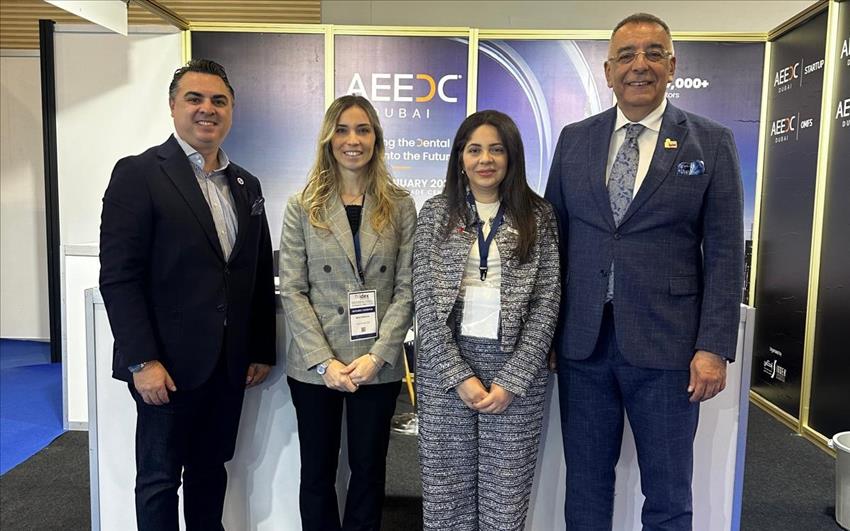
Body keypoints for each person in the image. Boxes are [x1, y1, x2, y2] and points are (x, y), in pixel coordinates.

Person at [544, 12, 744, 530]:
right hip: (583, 346)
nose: (640, 65)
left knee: (669, 492)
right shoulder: (574, 140)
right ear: (608, 71)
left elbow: (726, 252)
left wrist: (713, 346)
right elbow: (552, 244)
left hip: (670, 349)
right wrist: (545, 334)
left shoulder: (711, 142)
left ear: (672, 66)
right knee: (585, 486)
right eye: (626, 56)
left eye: (654, 53)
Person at [99, 59, 276, 531]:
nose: (207, 109)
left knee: (209, 472)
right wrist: (142, 361)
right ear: (173, 106)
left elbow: (257, 271)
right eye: (194, 99)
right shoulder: (138, 174)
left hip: (227, 365)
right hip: (166, 367)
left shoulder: (246, 184)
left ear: (231, 110)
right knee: (159, 480)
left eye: (219, 100)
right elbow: (119, 277)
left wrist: (260, 348)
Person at [413, 110, 561, 530]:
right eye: (475, 149)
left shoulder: (539, 215)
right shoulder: (435, 213)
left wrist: (514, 379)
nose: (485, 159)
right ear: (460, 157)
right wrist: (458, 376)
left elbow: (547, 300)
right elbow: (425, 301)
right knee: (447, 499)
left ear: (511, 156)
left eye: (496, 150)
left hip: (515, 365)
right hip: (447, 367)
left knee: (504, 499)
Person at [279, 94, 416, 531]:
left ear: (376, 139)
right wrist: (325, 362)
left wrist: (377, 356)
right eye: (342, 130)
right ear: (328, 138)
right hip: (317, 366)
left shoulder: (400, 205)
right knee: (317, 473)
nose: (352, 140)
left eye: (362, 130)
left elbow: (407, 289)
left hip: (376, 363)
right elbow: (293, 289)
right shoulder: (302, 205)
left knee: (369, 471)